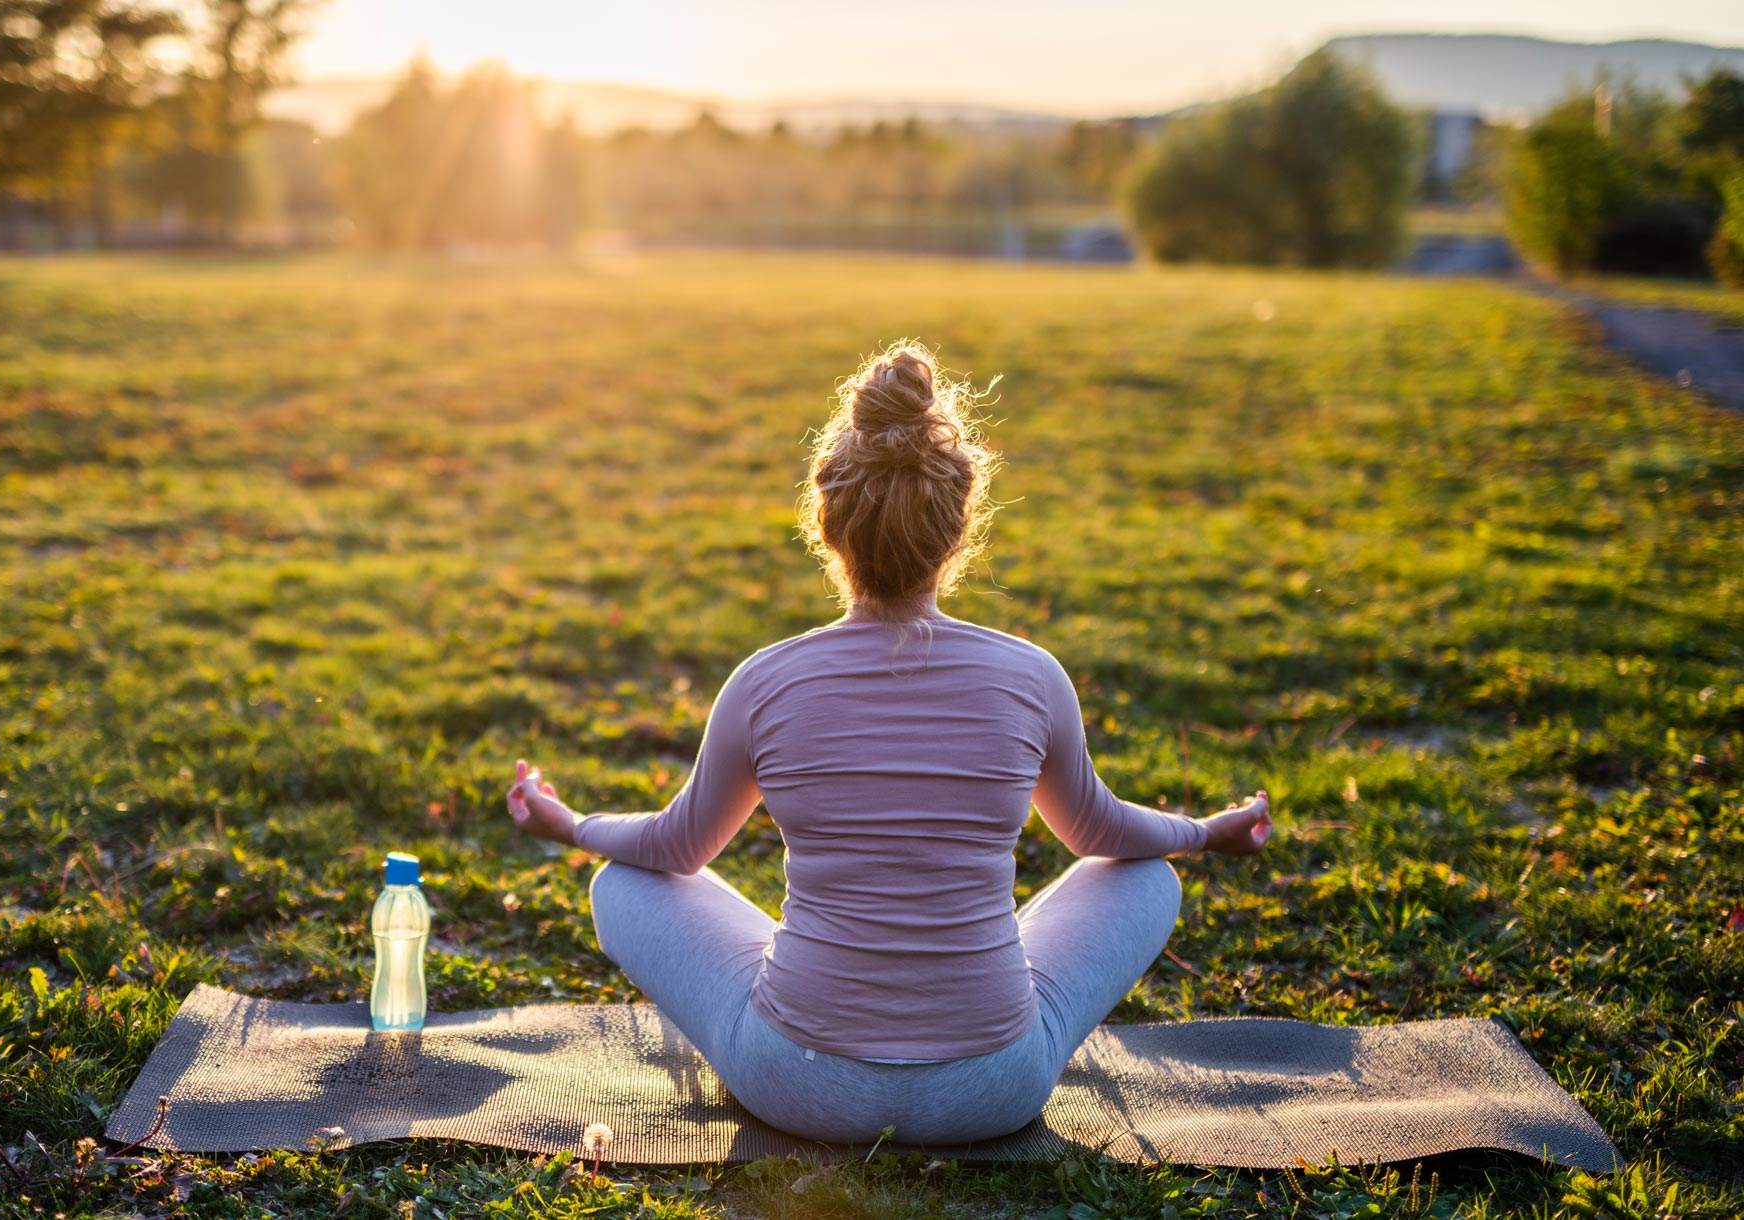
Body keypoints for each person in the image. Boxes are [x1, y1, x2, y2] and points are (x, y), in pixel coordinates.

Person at [501, 340, 1272, 1146]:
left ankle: (816, 987)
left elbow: (676, 846)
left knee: (619, 886)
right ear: (957, 527)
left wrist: (572, 824)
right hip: (995, 1090)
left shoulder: (763, 682)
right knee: (1150, 878)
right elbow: (1101, 835)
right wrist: (1202, 835)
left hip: (797, 1084)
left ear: (829, 526)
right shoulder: (1032, 677)